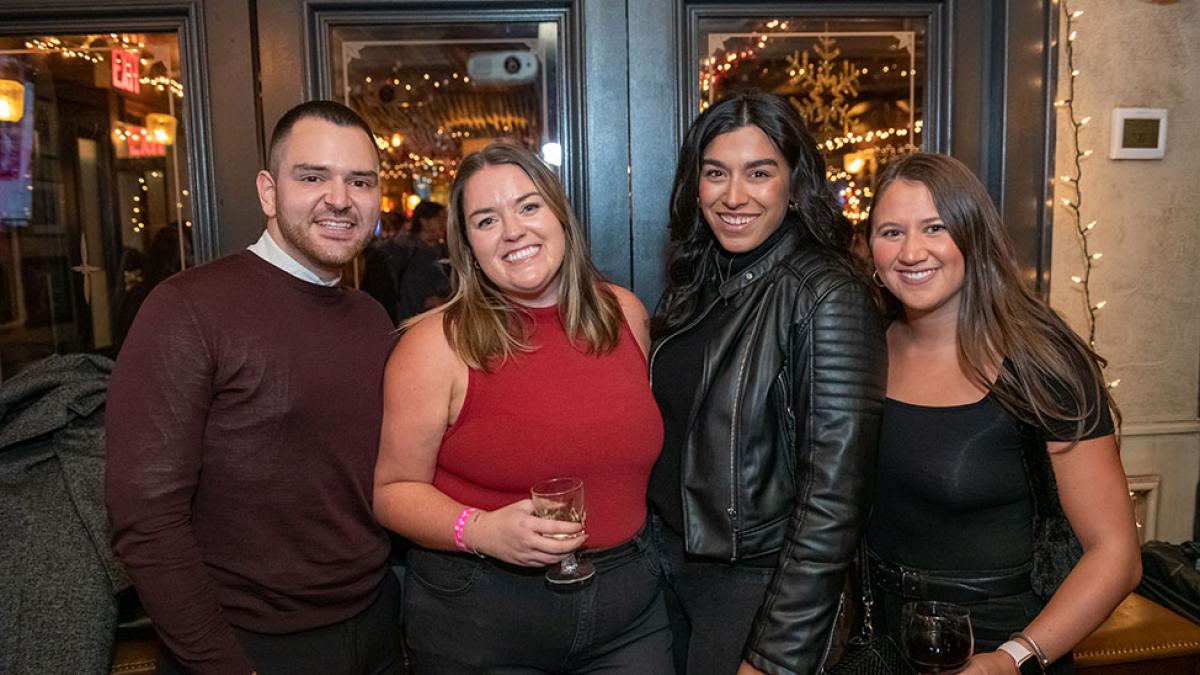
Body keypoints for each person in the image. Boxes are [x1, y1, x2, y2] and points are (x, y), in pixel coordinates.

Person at [106, 100, 400, 675]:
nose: (339, 198)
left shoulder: (369, 317)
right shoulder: (188, 308)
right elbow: (146, 517)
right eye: (312, 176)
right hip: (248, 644)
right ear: (268, 192)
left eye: (359, 181)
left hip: (375, 625)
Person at [373, 142, 673, 674]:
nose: (513, 231)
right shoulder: (433, 346)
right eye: (486, 220)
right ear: (467, 245)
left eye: (529, 206)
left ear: (560, 215)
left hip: (629, 614)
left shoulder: (625, 314)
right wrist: (480, 529)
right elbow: (392, 492)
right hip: (484, 617)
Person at [863, 152, 1142, 675]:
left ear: (974, 236)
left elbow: (1116, 555)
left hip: (997, 649)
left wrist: (1013, 658)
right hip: (880, 644)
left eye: (935, 227)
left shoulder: (1039, 363)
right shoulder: (861, 348)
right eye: (891, 232)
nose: (911, 251)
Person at [647, 91, 888, 675]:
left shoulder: (825, 295)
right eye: (715, 174)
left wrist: (776, 655)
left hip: (756, 589)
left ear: (793, 181)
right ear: (694, 184)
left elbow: (833, 500)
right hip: (670, 569)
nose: (734, 196)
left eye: (759, 173)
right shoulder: (698, 283)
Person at [361, 200, 451, 325]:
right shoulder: (404, 251)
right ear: (424, 221)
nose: (444, 223)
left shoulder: (445, 250)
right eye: (440, 218)